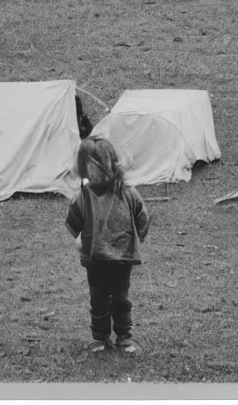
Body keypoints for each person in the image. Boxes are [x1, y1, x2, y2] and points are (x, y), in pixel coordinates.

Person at [65, 136, 151, 354]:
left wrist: (135, 238)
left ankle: (124, 337)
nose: (97, 171)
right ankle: (101, 338)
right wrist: (82, 239)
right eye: (90, 166)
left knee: (121, 298)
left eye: (101, 165)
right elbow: (74, 220)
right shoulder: (83, 197)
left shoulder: (127, 193)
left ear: (112, 164)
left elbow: (142, 215)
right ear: (83, 168)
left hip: (122, 257)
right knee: (98, 298)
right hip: (95, 259)